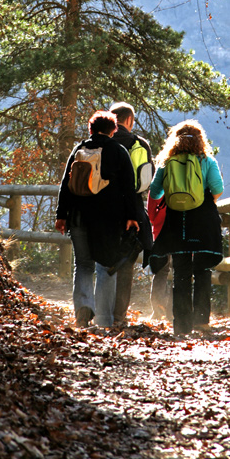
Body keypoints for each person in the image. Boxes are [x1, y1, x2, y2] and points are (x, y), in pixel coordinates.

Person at [55, 110, 139, 328]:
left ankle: (83, 312)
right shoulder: (118, 150)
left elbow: (66, 185)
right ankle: (103, 320)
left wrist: (61, 216)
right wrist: (132, 216)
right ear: (113, 130)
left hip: (78, 216)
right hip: (108, 219)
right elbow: (129, 188)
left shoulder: (79, 149)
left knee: (83, 264)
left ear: (90, 129)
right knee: (106, 265)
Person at [149, 120, 224, 336]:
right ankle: (201, 320)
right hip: (203, 220)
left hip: (177, 223)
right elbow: (218, 188)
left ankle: (181, 325)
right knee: (202, 270)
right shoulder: (207, 160)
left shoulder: (167, 162)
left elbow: (155, 192)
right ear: (201, 140)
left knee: (181, 272)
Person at [109, 101, 154, 326]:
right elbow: (146, 181)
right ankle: (119, 316)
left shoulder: (100, 142)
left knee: (103, 259)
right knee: (126, 263)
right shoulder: (139, 144)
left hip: (104, 209)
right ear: (129, 120)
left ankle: (102, 312)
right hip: (132, 211)